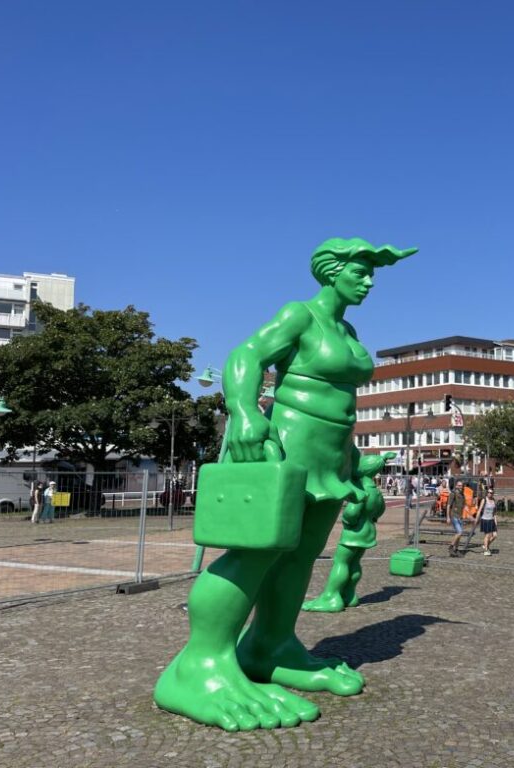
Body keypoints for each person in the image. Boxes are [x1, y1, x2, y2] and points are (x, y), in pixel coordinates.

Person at [154, 237, 415, 731]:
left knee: (299, 556)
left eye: (372, 272)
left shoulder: (348, 327)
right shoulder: (300, 314)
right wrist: (246, 410)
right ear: (331, 271)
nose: (369, 280)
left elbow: (339, 400)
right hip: (287, 449)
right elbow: (246, 355)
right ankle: (199, 664)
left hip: (330, 458)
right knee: (254, 554)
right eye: (359, 270)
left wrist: (352, 459)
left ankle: (270, 644)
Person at [302, 452, 395, 612]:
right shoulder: (376, 492)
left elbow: (351, 513)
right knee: (354, 563)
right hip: (368, 531)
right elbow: (380, 510)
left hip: (353, 533)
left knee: (341, 562)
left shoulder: (362, 490)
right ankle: (349, 594)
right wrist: (371, 518)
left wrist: (346, 521)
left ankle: (331, 597)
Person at [447, 480, 466, 555]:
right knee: (460, 532)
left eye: (461, 485)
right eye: (459, 485)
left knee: (459, 535)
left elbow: (463, 506)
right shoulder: (453, 493)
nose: (461, 487)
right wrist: (448, 517)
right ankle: (451, 546)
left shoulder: (462, 495)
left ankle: (456, 549)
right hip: (454, 516)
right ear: (456, 486)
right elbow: (448, 505)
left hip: (460, 516)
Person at [479, 488, 498, 555]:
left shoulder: (493, 501)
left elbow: (494, 513)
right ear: (487, 493)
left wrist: (495, 521)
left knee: (495, 535)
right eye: (489, 492)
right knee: (488, 535)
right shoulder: (484, 500)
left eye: (491, 493)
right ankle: (486, 550)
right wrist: (476, 519)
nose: (490, 494)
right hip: (485, 520)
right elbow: (479, 510)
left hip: (491, 520)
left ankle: (485, 545)